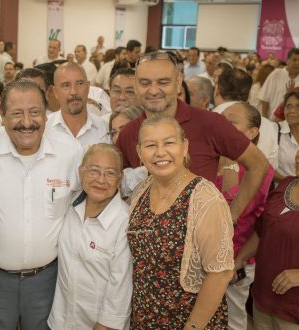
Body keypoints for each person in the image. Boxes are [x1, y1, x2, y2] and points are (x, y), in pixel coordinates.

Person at [116, 51, 269, 224]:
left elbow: (258, 164)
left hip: (200, 241)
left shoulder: (210, 123)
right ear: (136, 86)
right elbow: (116, 186)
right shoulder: (128, 132)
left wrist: (231, 216)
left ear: (178, 82)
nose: (153, 90)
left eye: (163, 82)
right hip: (146, 243)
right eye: (145, 83)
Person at [0, 80, 82, 330]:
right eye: (16, 113)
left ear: (47, 115)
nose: (27, 122)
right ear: (1, 115)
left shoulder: (70, 152)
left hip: (47, 280)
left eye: (34, 112)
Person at [128, 116, 234, 328]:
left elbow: (220, 273)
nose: (160, 152)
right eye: (151, 145)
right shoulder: (142, 190)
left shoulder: (205, 198)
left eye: (169, 143)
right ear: (140, 153)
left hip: (189, 321)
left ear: (184, 146)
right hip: (145, 317)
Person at [48, 143, 132, 330]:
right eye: (94, 171)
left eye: (110, 173)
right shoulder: (69, 205)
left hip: (99, 324)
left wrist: (104, 325)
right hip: (60, 321)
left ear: (120, 178)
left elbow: (122, 284)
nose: (101, 180)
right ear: (81, 172)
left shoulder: (124, 221)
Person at [218, 102, 275, 330]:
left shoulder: (260, 167)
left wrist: (230, 165)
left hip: (236, 258)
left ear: (252, 133)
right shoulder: (210, 156)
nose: (222, 125)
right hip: (203, 255)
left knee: (232, 321)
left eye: (231, 122)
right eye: (220, 119)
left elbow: (233, 211)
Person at [234, 163, 299, 327]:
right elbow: (263, 230)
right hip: (262, 297)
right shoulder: (285, 184)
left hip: (293, 310)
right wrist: (241, 257)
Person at [213, 68, 279, 169]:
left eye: (232, 122)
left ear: (218, 89)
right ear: (249, 94)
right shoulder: (270, 127)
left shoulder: (207, 120)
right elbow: (271, 168)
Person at [47, 62, 109, 149]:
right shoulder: (44, 130)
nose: (74, 92)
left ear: (88, 88)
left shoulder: (105, 129)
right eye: (66, 85)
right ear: (55, 92)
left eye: (79, 83)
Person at [258, 48, 299, 119]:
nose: (297, 63)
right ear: (287, 61)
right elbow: (265, 99)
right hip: (273, 121)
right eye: (294, 60)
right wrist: (265, 120)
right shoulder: (276, 74)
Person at [276, 90, 299, 181]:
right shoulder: (275, 131)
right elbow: (265, 166)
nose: (292, 110)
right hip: (283, 192)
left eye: (298, 106)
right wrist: (290, 183)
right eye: (288, 106)